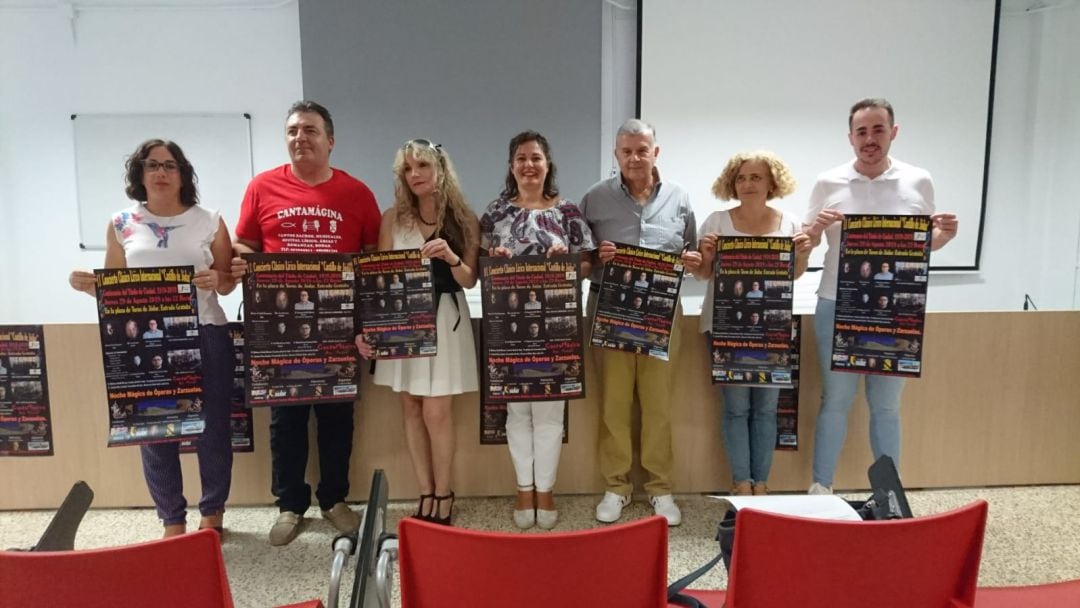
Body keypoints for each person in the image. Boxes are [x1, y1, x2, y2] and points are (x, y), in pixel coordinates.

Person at [68, 139, 235, 538]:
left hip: (205, 333)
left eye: (170, 165)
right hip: (144, 342)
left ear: (183, 173)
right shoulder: (121, 222)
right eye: (152, 165)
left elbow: (228, 283)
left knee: (211, 427)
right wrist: (89, 286)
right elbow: (116, 289)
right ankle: (171, 520)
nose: (161, 172)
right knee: (155, 429)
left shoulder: (209, 219)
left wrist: (219, 278)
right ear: (139, 173)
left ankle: (212, 514)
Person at [231, 101, 380, 545]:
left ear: (329, 140)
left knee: (337, 417)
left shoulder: (356, 193)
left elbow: (372, 259)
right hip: (281, 329)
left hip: (337, 326)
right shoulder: (262, 186)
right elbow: (243, 243)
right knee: (286, 422)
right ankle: (290, 505)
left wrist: (367, 322)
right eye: (294, 130)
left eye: (311, 130)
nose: (301, 138)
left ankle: (334, 500)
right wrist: (241, 262)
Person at [802, 98, 958, 494]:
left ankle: (888, 492)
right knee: (835, 400)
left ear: (893, 131)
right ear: (850, 137)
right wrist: (815, 231)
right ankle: (821, 487)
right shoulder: (828, 182)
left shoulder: (919, 180)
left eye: (878, 130)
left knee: (886, 405)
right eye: (862, 132)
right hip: (838, 303)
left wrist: (944, 236)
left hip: (897, 309)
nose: (869, 139)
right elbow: (803, 241)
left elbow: (925, 244)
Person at [580, 119, 701, 526]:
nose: (634, 158)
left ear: (655, 152)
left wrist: (694, 261)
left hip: (662, 312)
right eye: (626, 151)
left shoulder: (681, 198)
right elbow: (582, 260)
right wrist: (597, 256)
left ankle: (660, 489)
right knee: (613, 403)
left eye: (642, 150)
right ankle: (616, 486)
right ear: (616, 155)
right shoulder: (594, 200)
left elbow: (694, 255)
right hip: (609, 309)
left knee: (658, 404)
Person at [358, 138, 480, 527]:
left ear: (440, 170)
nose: (415, 175)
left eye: (422, 167)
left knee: (437, 411)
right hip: (402, 320)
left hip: (445, 320)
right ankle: (425, 491)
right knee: (411, 406)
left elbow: (469, 279)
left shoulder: (465, 220)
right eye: (408, 169)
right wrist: (371, 329)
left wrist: (452, 256)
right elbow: (380, 277)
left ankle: (444, 492)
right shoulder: (393, 218)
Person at [480, 130, 596, 530]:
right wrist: (493, 259)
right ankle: (523, 488)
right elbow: (479, 266)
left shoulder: (568, 213)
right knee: (516, 412)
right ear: (511, 166)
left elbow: (586, 267)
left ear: (548, 164)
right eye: (520, 158)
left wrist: (569, 262)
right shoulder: (495, 213)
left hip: (554, 327)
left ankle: (545, 491)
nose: (528, 165)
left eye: (536, 158)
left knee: (549, 413)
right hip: (509, 328)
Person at [697, 152, 811, 497]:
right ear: (732, 183)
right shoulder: (716, 222)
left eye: (756, 177)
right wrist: (707, 256)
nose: (748, 184)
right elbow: (702, 274)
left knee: (766, 409)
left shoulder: (789, 224)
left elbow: (793, 275)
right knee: (736, 409)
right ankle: (740, 483)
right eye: (741, 177)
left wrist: (803, 255)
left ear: (771, 182)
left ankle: (761, 483)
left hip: (771, 329)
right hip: (725, 327)